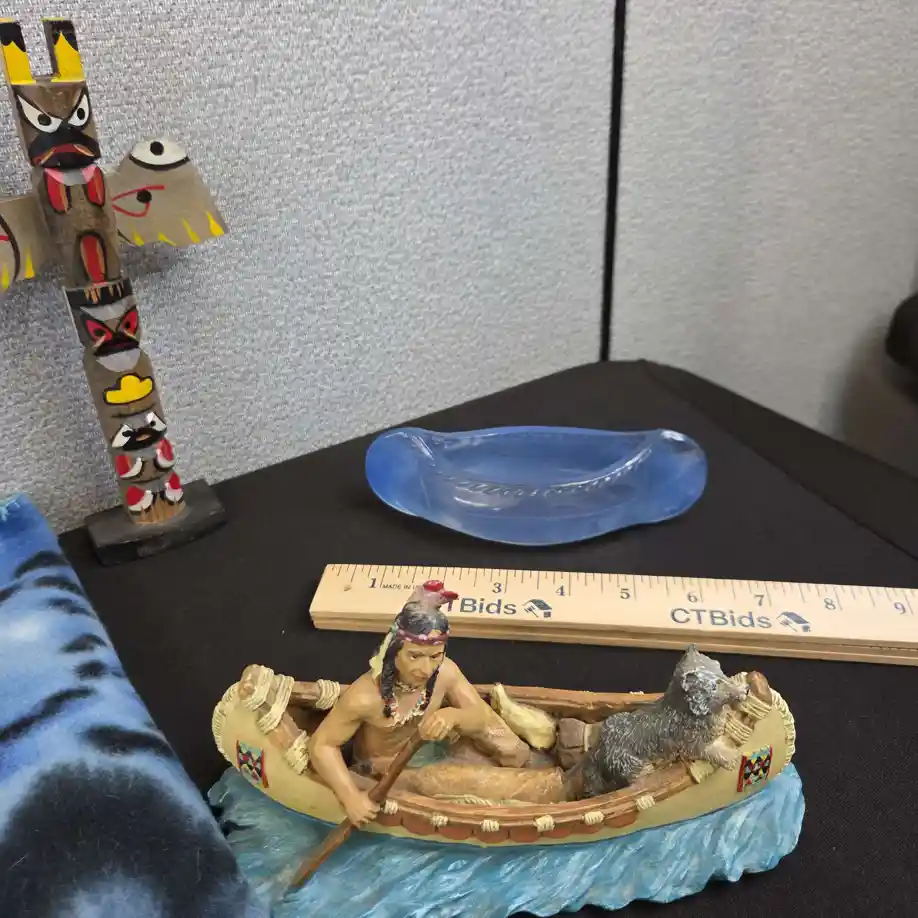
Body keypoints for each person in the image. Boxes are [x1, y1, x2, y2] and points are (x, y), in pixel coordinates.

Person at [307, 580, 533, 826]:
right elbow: (321, 745)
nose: (426, 669)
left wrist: (453, 716)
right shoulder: (365, 696)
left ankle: (523, 761)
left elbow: (479, 716)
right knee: (475, 781)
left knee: (498, 735)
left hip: (437, 751)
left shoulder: (445, 672)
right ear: (394, 651)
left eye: (435, 656)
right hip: (388, 772)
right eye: (414, 656)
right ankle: (541, 790)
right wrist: (350, 797)